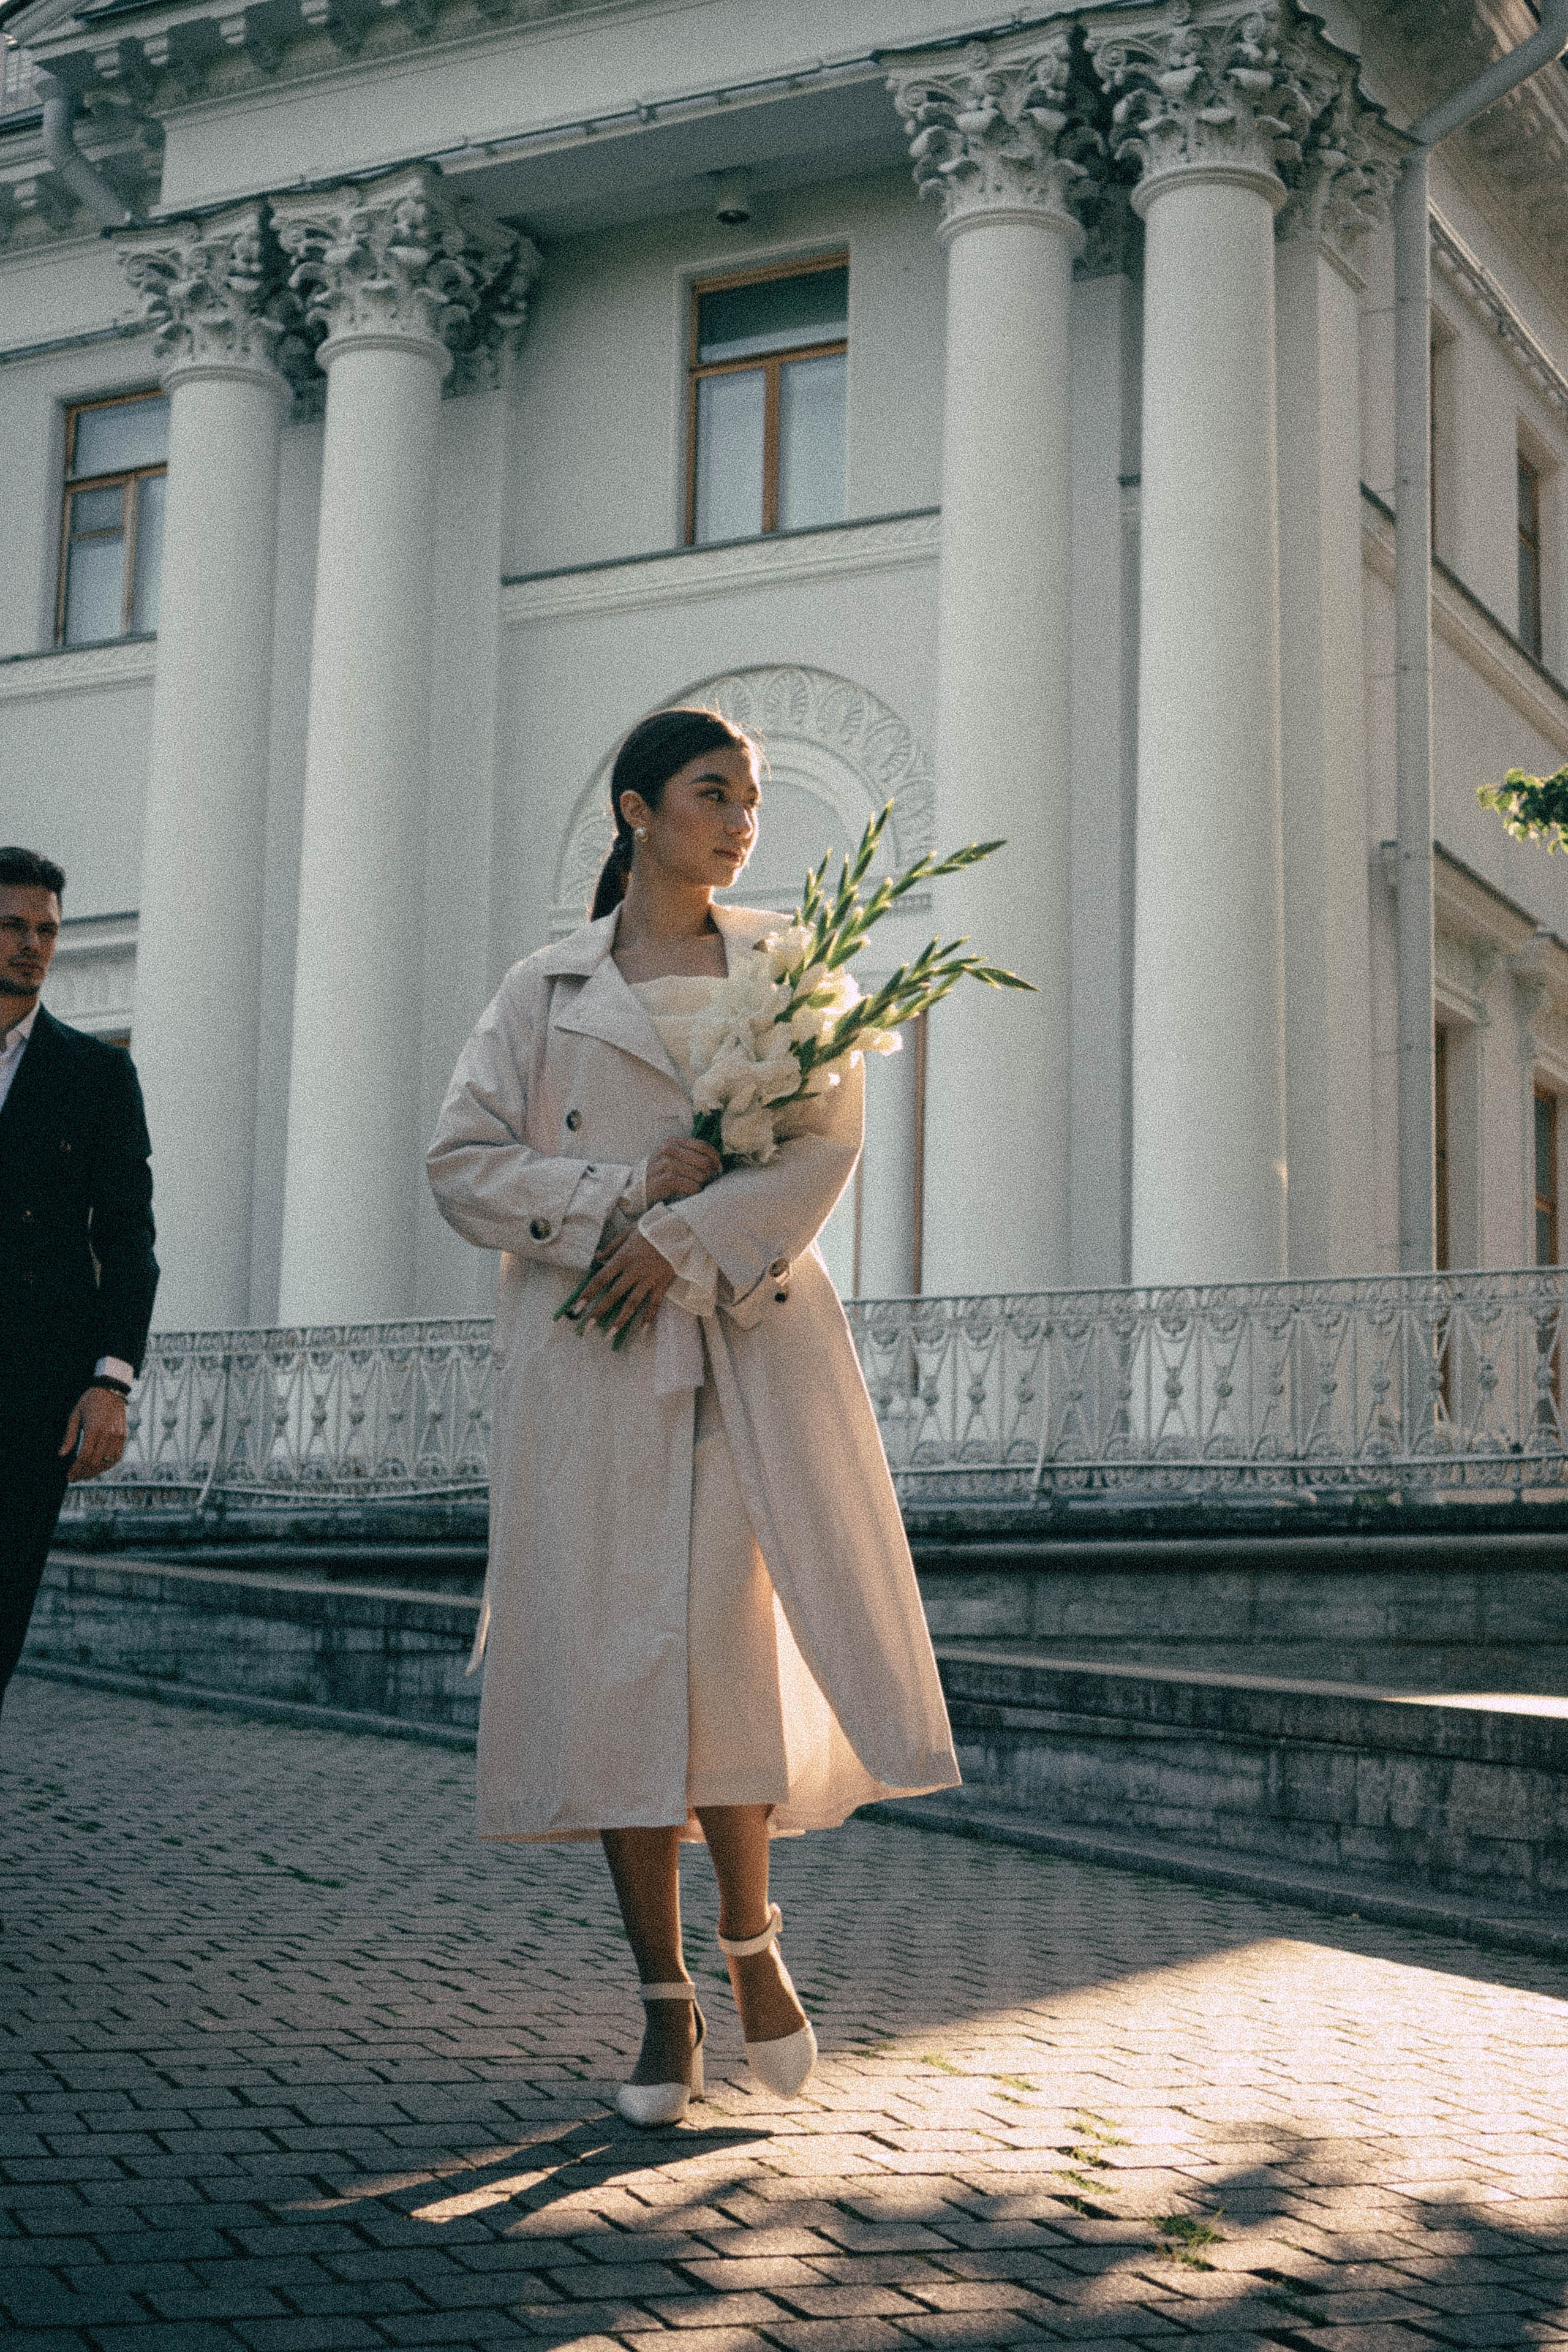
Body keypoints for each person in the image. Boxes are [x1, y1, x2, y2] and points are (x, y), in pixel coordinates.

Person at [428, 708, 959, 2127]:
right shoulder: (542, 990)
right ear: (636, 810)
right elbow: (461, 1163)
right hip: (594, 1358)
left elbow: (824, 1150)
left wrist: (687, 1236)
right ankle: (663, 2002)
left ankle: (750, 1934)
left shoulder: (792, 970)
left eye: (750, 798)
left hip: (743, 1343)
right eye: (711, 793)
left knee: (729, 1644)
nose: (739, 821)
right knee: (614, 1662)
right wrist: (614, 1200)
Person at [0, 846, 158, 1714]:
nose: (33, 945)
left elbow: (129, 1242)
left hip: (32, 1398)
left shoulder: (96, 1076)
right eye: (13, 926)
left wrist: (111, 1382)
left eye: (47, 930)